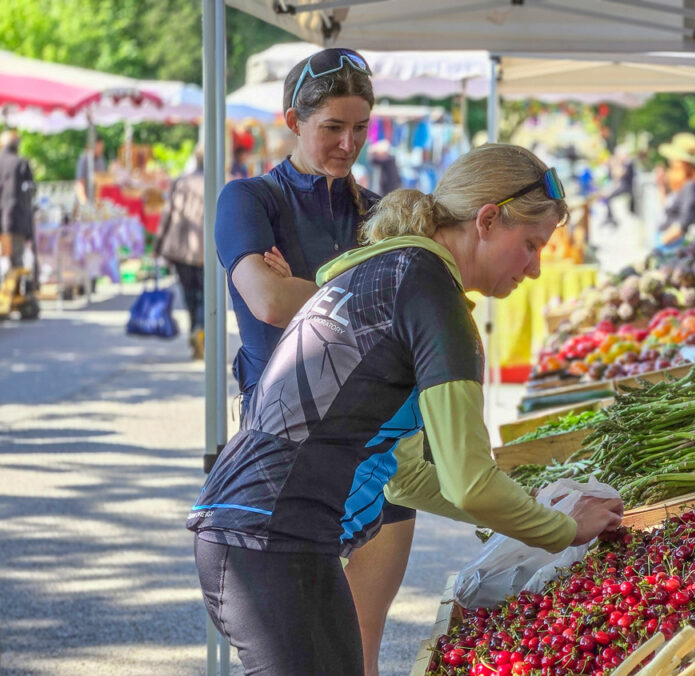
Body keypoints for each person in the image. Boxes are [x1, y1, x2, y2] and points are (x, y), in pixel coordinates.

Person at [189, 142, 625, 675]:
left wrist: (530, 505)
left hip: (266, 535)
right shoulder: (433, 299)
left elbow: (407, 476)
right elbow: (469, 482)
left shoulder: (395, 268)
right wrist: (561, 529)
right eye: (530, 245)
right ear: (486, 220)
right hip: (271, 540)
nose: (534, 270)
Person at [212, 48, 412, 676]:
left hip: (379, 449)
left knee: (360, 658)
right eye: (332, 127)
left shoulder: (382, 214)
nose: (348, 142)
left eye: (361, 127)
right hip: (286, 454)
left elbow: (422, 314)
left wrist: (310, 289)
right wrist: (374, 299)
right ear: (292, 120)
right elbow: (268, 302)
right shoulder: (247, 199)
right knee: (294, 659)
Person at [155, 150, 206, 359]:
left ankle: (195, 326)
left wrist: (158, 244)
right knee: (206, 294)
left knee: (189, 294)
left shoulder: (182, 182)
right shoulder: (222, 181)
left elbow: (167, 214)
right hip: (208, 249)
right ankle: (201, 328)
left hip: (181, 246)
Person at [655, 132, 695, 249]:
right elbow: (667, 208)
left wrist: (662, 241)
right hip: (667, 238)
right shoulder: (682, 186)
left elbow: (684, 221)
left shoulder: (691, 186)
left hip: (673, 244)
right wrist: (661, 185)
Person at [0, 130, 36, 276]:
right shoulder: (21, 162)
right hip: (15, 218)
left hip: (4, 218)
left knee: (7, 259)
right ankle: (14, 295)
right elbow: (31, 190)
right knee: (16, 261)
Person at [74, 138, 107, 205]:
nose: (101, 149)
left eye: (102, 147)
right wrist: (83, 200)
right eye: (99, 147)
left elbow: (103, 180)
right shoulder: (84, 159)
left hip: (98, 200)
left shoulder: (101, 159)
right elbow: (80, 182)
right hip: (85, 201)